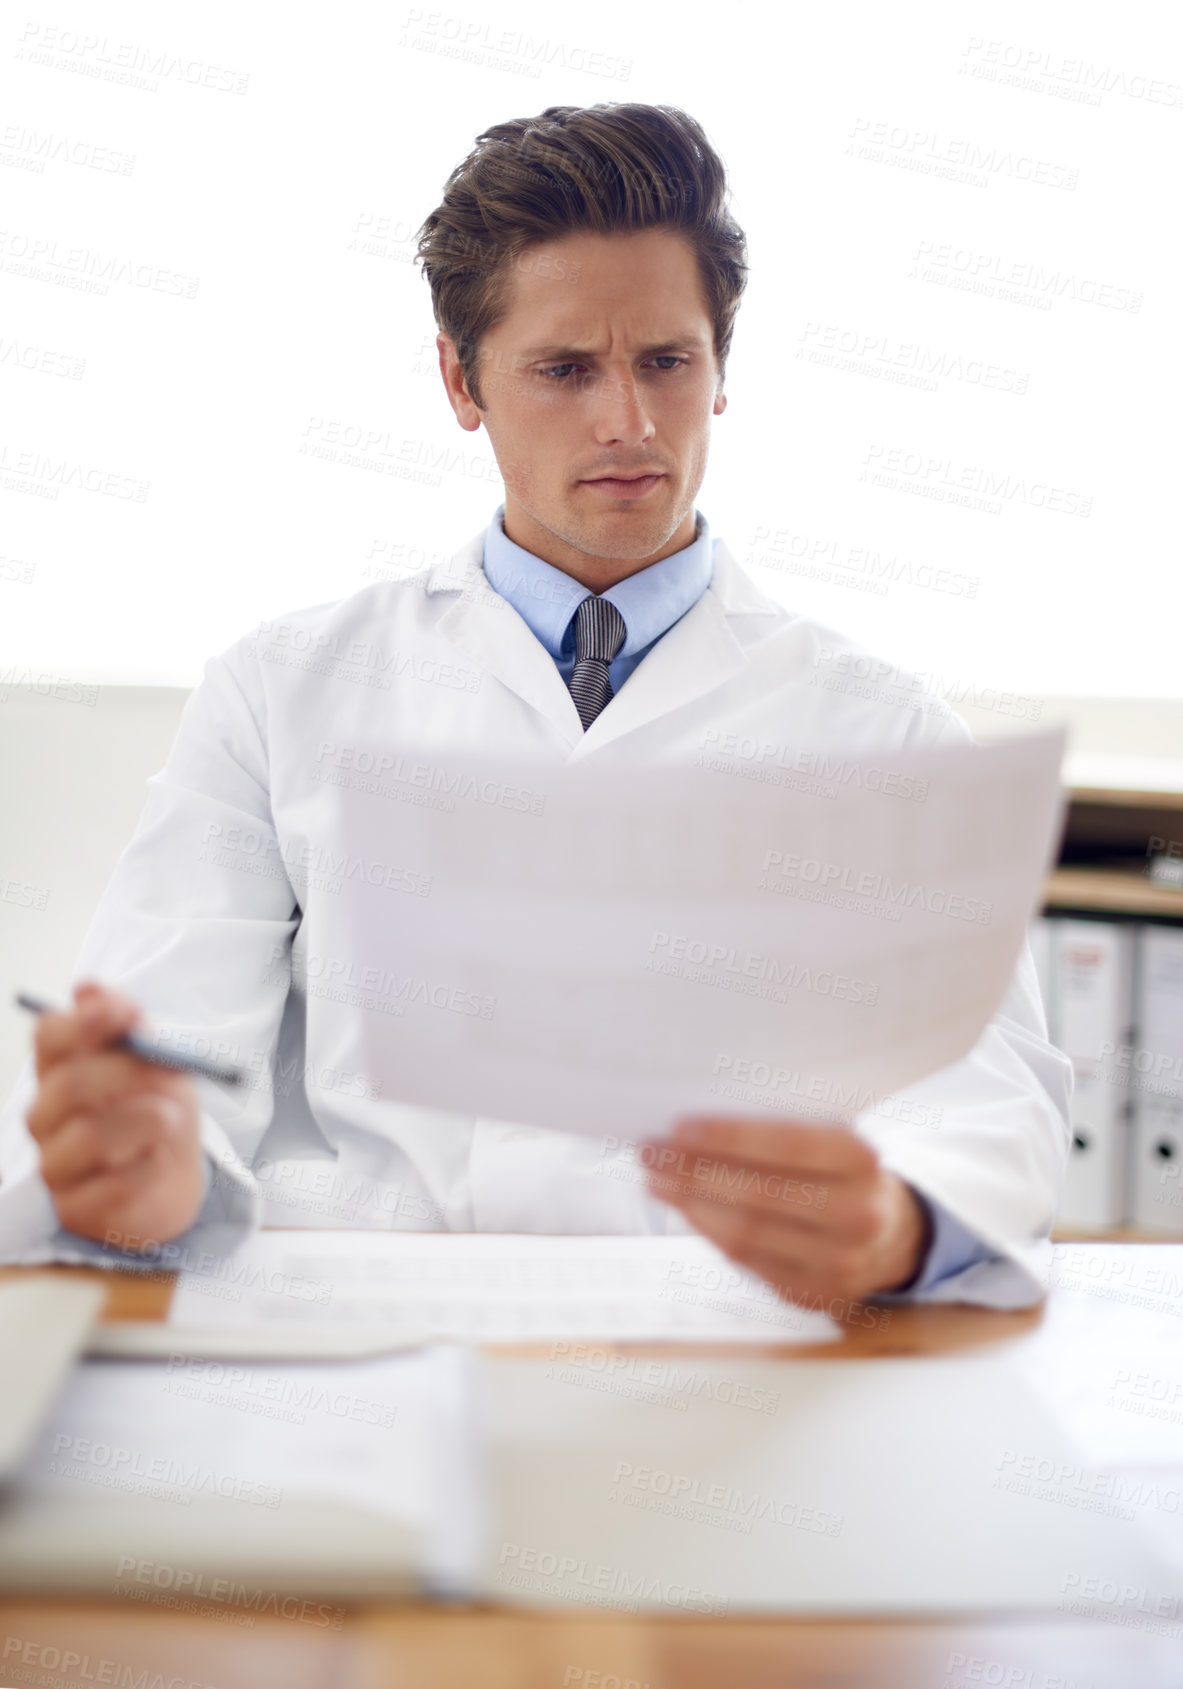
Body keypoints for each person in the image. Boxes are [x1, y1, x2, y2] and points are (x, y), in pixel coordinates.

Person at [0, 103, 1071, 1310]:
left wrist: (894, 1224)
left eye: (667, 360)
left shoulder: (881, 729)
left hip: (713, 1357)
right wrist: (154, 1174)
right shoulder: (280, 690)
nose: (629, 420)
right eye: (564, 369)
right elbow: (167, 1057)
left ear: (720, 370)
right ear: (462, 381)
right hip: (353, 1339)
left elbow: (986, 1099)